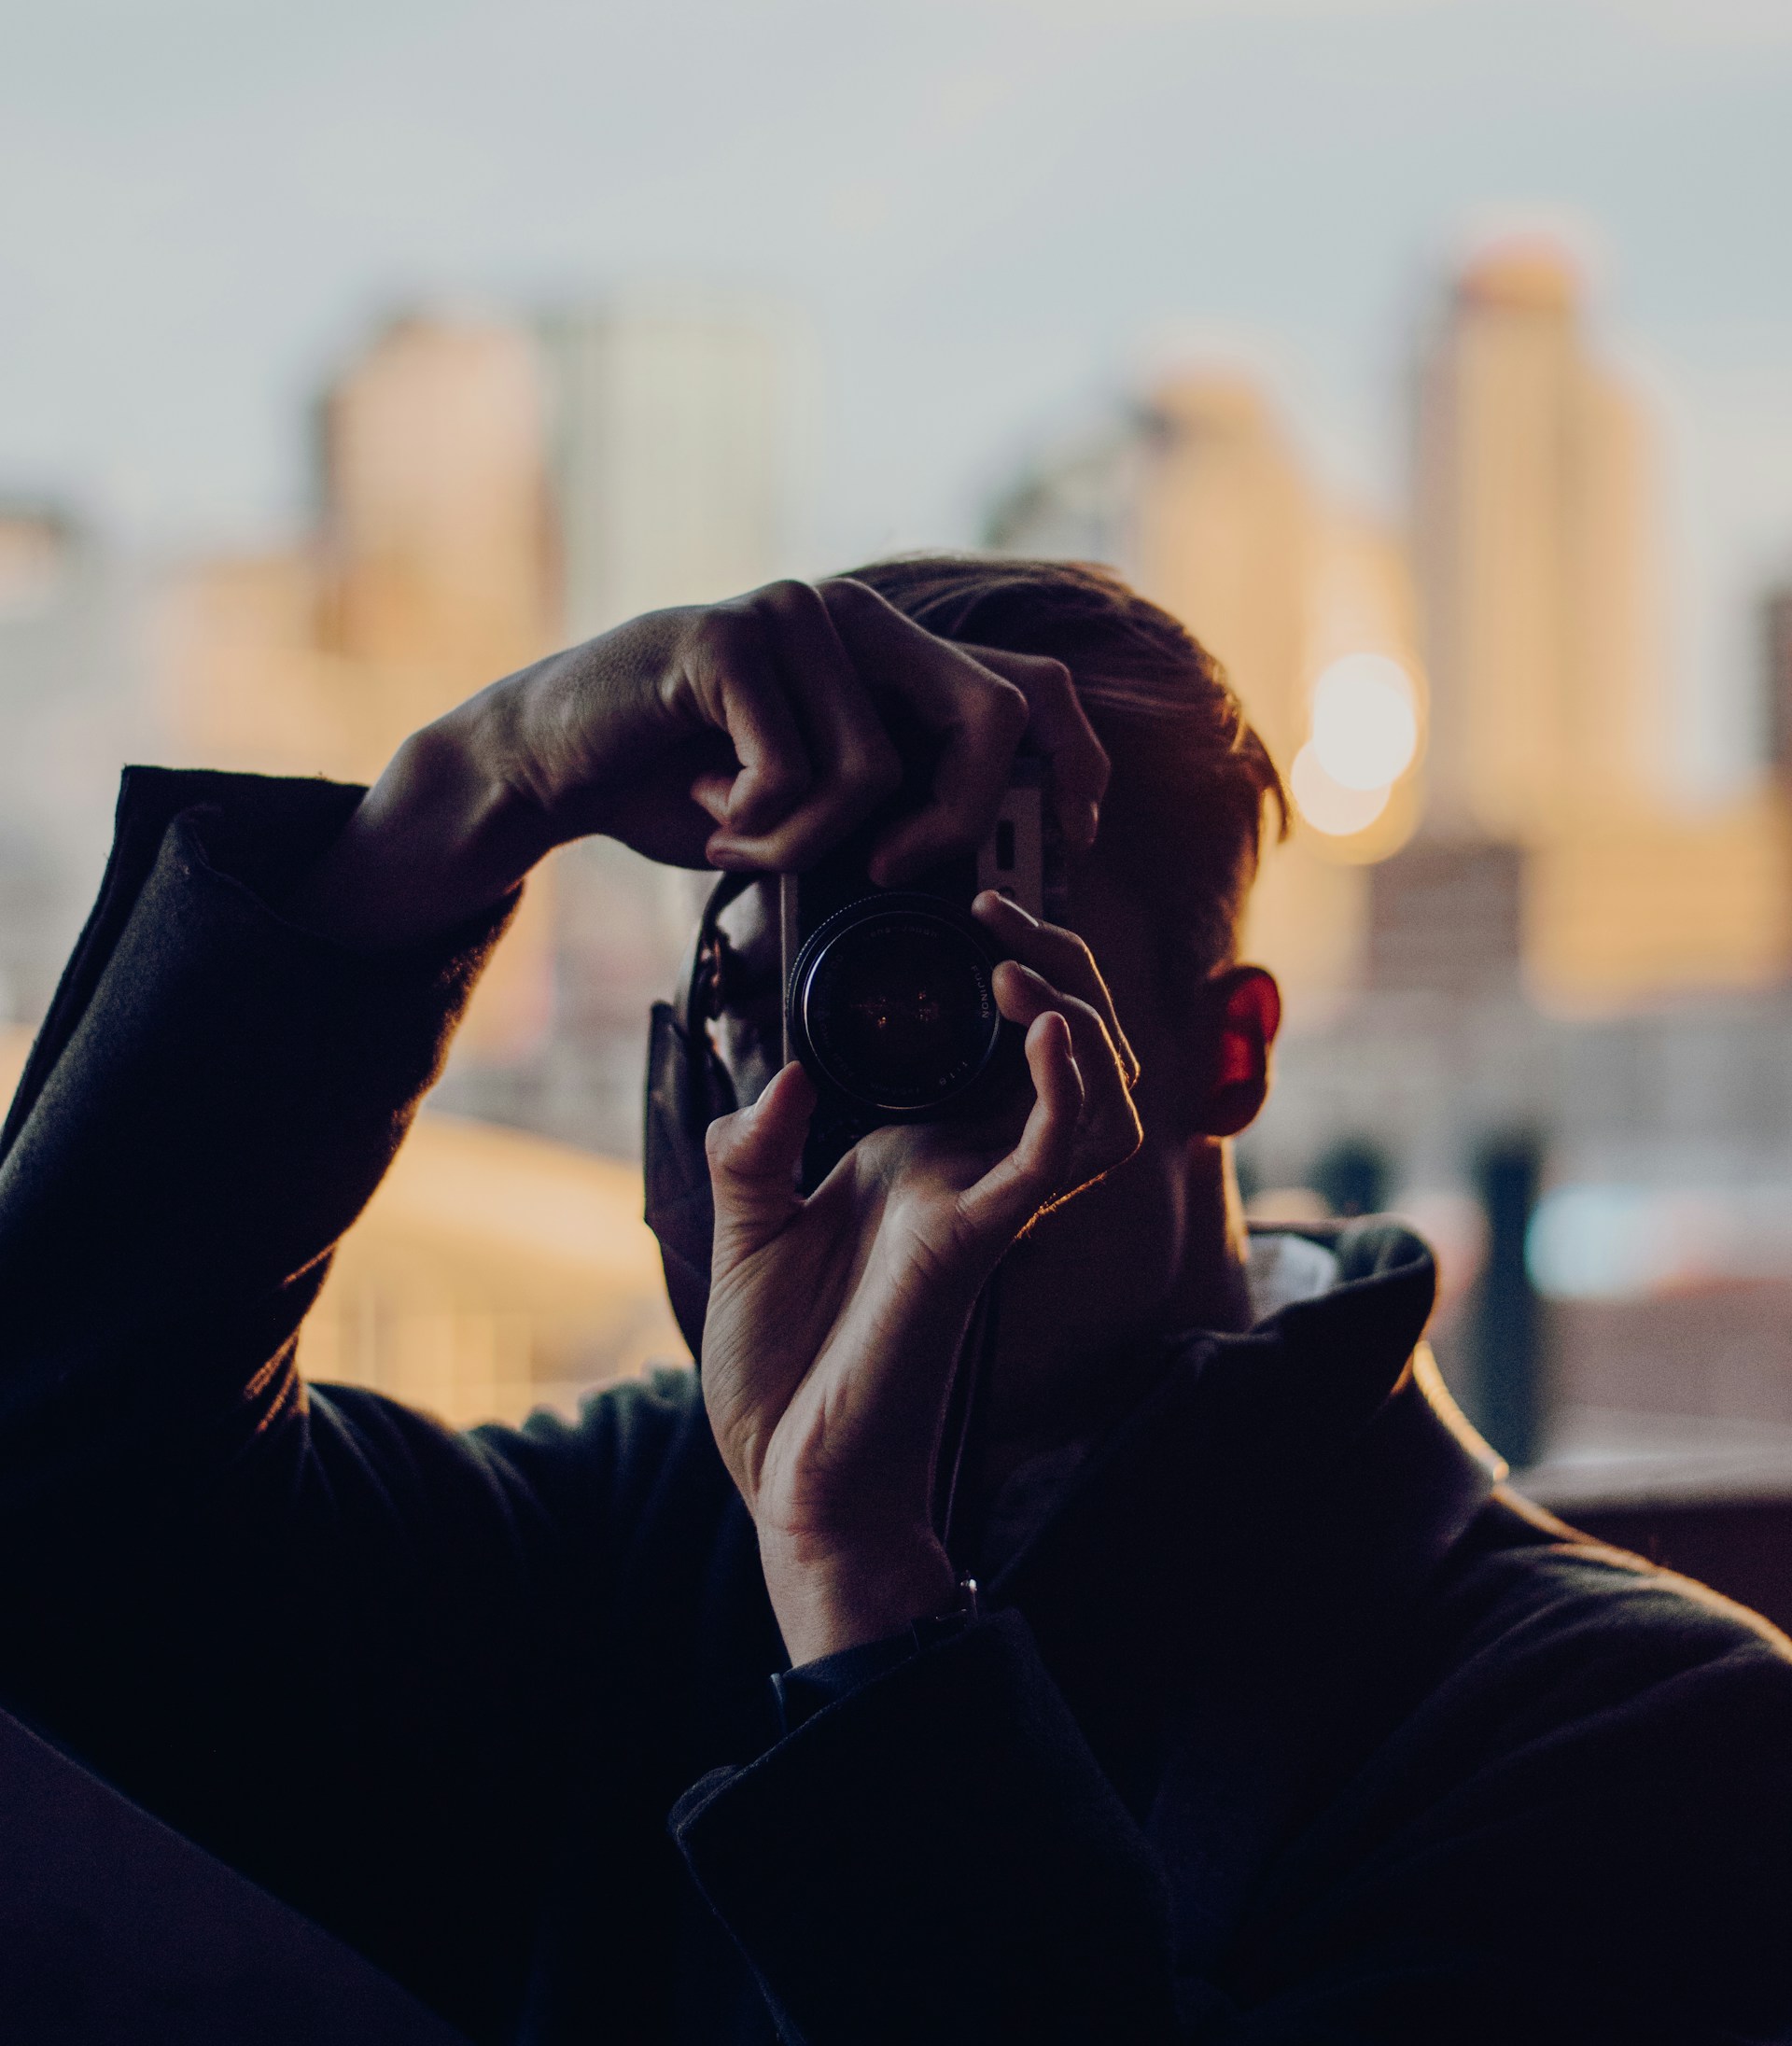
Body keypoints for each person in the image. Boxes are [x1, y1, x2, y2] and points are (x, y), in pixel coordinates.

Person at [0, 555, 1786, 2045]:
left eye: (960, 977)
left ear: (1226, 1053)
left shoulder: (1648, 1743)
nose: (864, 1062)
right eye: (795, 989)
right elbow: (55, 1497)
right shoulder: (624, 1559)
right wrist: (465, 796)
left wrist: (868, 1607)